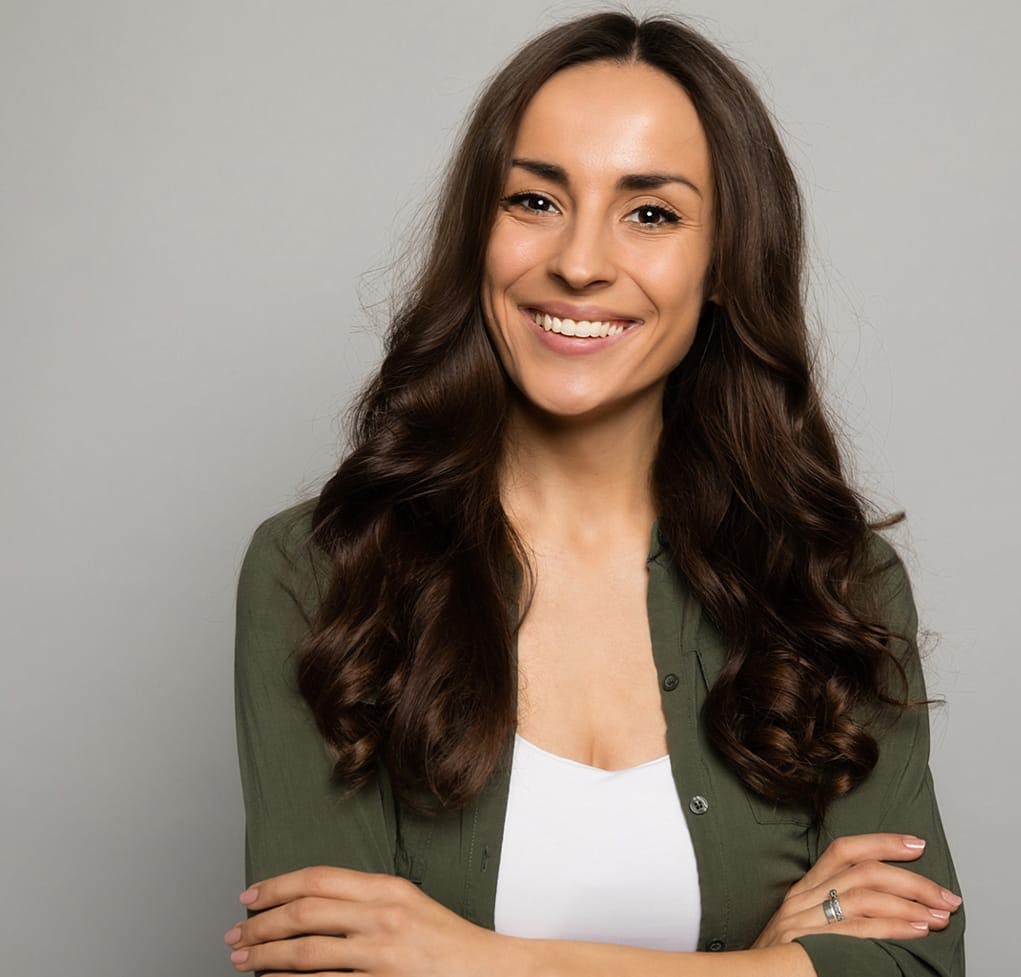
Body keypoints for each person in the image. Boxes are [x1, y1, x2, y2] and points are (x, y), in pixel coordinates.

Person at [226, 11, 965, 977]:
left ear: (723, 270)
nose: (578, 262)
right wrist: (773, 962)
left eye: (650, 213)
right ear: (476, 233)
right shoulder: (322, 571)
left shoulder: (831, 580)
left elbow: (915, 968)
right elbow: (327, 969)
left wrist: (478, 959)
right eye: (534, 201)